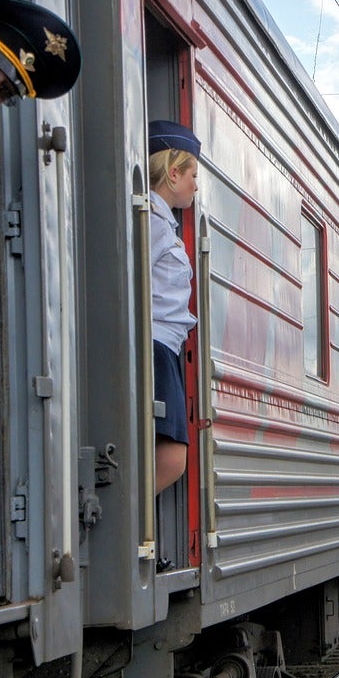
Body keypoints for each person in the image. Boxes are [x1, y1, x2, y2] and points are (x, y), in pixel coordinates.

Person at [148, 121, 202, 494]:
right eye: (192, 175)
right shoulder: (152, 222)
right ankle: (121, 521)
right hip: (156, 345)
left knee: (168, 459)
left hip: (163, 347)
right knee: (171, 461)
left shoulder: (161, 222)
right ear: (173, 172)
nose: (195, 186)